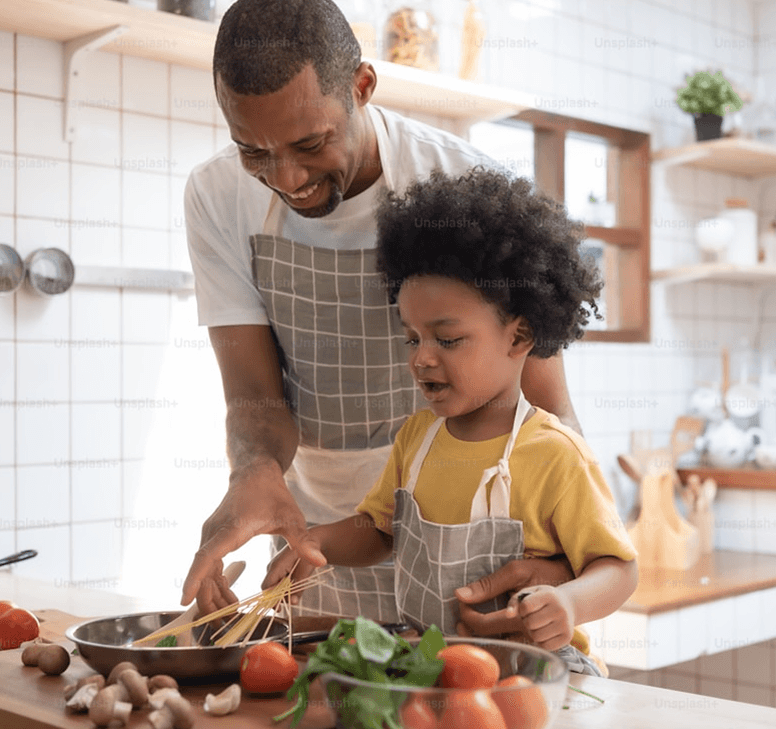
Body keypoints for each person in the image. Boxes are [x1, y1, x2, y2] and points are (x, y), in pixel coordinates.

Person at [182, 0, 583, 630]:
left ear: (363, 87)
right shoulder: (216, 195)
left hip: (479, 554)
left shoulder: (462, 183)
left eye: (310, 143)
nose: (285, 177)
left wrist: (572, 567)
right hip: (319, 542)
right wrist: (253, 474)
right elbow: (255, 398)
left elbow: (548, 408)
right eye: (252, 151)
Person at [263, 168, 639, 674]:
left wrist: (570, 603)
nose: (422, 359)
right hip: (433, 670)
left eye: (448, 338)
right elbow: (378, 529)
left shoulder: (554, 452)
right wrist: (318, 542)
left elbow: (618, 568)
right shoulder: (418, 439)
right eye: (412, 338)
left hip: (533, 675)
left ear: (519, 337)